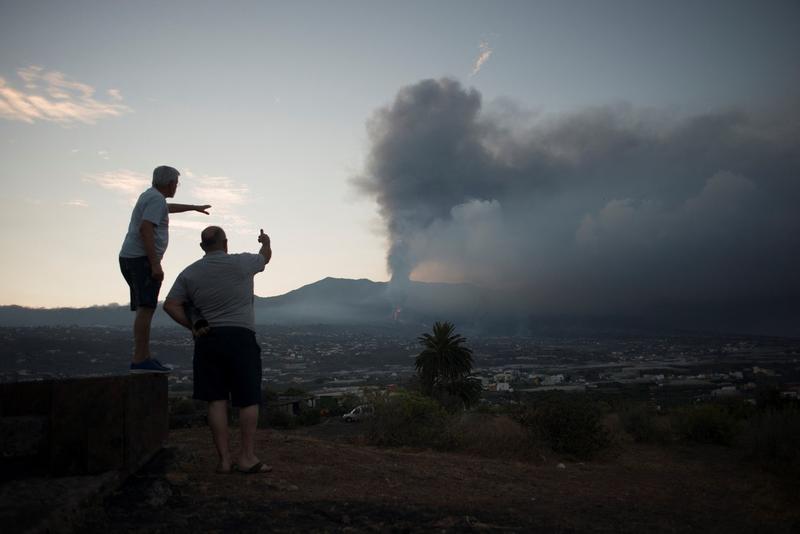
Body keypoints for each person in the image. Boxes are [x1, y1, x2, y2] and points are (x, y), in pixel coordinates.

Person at [163, 226, 272, 474]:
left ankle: (223, 460)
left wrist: (192, 325)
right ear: (225, 244)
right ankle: (247, 457)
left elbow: (170, 305)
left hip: (208, 340)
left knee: (216, 400)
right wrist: (265, 241)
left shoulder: (189, 273)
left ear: (203, 247)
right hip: (241, 337)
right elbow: (265, 257)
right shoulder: (242, 262)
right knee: (248, 399)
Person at [119, 165, 211, 373]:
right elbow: (146, 228)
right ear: (171, 184)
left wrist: (193, 207)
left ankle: (143, 356)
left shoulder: (151, 197)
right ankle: (140, 360)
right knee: (146, 308)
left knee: (144, 308)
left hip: (130, 258)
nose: (176, 187)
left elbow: (167, 208)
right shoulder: (155, 199)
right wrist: (155, 263)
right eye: (176, 184)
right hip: (141, 260)